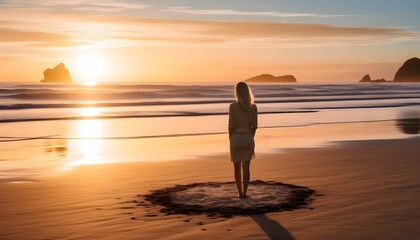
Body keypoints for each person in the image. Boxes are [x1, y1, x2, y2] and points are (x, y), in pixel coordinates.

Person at [228, 82, 258, 198]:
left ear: (237, 93)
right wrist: (250, 137)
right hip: (248, 138)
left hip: (236, 138)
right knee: (246, 168)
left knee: (236, 168)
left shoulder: (232, 106)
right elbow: (254, 126)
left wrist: (231, 138)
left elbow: (231, 126)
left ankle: (239, 193)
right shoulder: (253, 107)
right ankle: (245, 193)